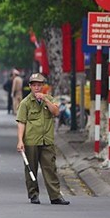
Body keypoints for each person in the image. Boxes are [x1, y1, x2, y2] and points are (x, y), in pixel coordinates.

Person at [16, 73, 70, 205]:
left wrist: (46, 100)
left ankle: (55, 196)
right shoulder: (25, 103)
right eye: (34, 85)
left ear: (43, 86)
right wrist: (20, 140)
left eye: (39, 85)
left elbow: (56, 112)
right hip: (31, 141)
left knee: (50, 168)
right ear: (30, 87)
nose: (36, 88)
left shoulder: (50, 99)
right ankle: (33, 195)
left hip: (47, 140)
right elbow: (21, 122)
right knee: (31, 169)